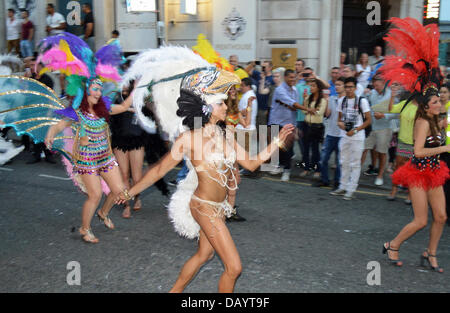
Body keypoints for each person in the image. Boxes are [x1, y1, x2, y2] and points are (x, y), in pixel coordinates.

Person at [115, 54, 294, 292]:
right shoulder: (188, 139)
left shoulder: (227, 134)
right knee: (234, 267)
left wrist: (277, 143)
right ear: (206, 107)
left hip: (219, 207)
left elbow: (251, 164)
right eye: (220, 103)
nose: (225, 106)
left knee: (204, 256)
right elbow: (158, 170)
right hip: (203, 207)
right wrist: (129, 192)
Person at [0, 33, 131, 243]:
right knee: (95, 195)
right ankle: (85, 229)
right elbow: (59, 125)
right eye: (94, 89)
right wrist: (50, 136)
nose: (98, 92)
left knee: (121, 193)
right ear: (85, 90)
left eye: (100, 88)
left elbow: (123, 106)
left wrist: (140, 88)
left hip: (106, 157)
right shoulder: (76, 112)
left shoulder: (104, 107)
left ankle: (103, 213)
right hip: (87, 160)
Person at [381, 17, 448, 272]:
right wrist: (443, 148)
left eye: (440, 102)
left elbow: (443, 131)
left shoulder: (437, 122)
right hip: (419, 171)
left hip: (435, 171)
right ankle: (392, 244)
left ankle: (430, 253)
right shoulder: (422, 122)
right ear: (427, 106)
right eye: (435, 103)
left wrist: (443, 133)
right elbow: (418, 151)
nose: (439, 105)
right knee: (421, 220)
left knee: (441, 216)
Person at [269, 69, 315, 181]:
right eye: (290, 77)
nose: (293, 80)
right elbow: (292, 103)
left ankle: (287, 170)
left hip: (289, 123)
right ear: (285, 77)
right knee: (277, 147)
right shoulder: (280, 90)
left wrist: (301, 104)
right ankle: (279, 166)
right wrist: (307, 109)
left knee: (287, 148)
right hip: (276, 121)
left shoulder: (295, 90)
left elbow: (294, 105)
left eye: (294, 77)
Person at [110, 84, 147, 218]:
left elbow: (147, 112)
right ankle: (127, 205)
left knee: (136, 177)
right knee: (124, 175)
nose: (124, 84)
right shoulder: (114, 96)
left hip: (136, 138)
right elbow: (109, 114)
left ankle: (137, 197)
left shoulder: (139, 95)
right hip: (119, 139)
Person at [331, 77, 371, 200]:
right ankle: (343, 186)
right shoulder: (342, 100)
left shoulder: (361, 101)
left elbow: (369, 120)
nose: (348, 89)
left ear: (355, 87)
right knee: (343, 162)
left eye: (351, 87)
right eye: (346, 87)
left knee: (355, 164)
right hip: (344, 136)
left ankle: (351, 189)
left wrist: (355, 130)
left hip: (357, 137)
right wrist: (340, 124)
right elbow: (339, 119)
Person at [360, 76, 397, 186]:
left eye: (377, 85)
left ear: (383, 83)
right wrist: (364, 93)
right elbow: (364, 104)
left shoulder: (391, 94)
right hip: (372, 126)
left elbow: (396, 113)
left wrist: (383, 115)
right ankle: (356, 173)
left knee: (382, 152)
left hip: (385, 128)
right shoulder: (372, 93)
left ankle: (380, 175)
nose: (375, 88)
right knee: (364, 148)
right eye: (374, 85)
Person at [314, 77, 345, 188]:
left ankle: (337, 182)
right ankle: (325, 180)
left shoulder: (347, 100)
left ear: (344, 86)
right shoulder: (332, 98)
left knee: (339, 161)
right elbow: (327, 115)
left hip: (342, 135)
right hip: (330, 134)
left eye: (339, 84)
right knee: (323, 159)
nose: (337, 87)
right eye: (336, 85)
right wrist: (326, 101)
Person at [24, 57, 57, 164]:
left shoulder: (47, 79)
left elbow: (49, 96)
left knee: (45, 133)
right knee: (36, 133)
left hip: (44, 109)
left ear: (40, 66)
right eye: (31, 65)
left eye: (34, 65)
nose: (32, 67)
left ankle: (48, 155)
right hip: (33, 109)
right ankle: (36, 155)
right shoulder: (31, 78)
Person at [299, 79, 327, 177]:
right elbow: (304, 111)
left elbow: (320, 112)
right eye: (310, 86)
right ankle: (306, 169)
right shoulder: (308, 98)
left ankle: (317, 170)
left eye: (313, 86)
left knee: (315, 150)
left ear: (318, 88)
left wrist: (311, 110)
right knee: (305, 149)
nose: (311, 88)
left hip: (316, 127)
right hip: (306, 125)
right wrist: (309, 108)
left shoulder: (323, 100)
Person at [46, 4, 67, 99]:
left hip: (60, 38)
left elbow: (63, 26)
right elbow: (47, 29)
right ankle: (62, 92)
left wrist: (53, 28)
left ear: (52, 8)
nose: (47, 9)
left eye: (48, 8)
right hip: (53, 40)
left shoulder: (59, 16)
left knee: (62, 74)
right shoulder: (48, 18)